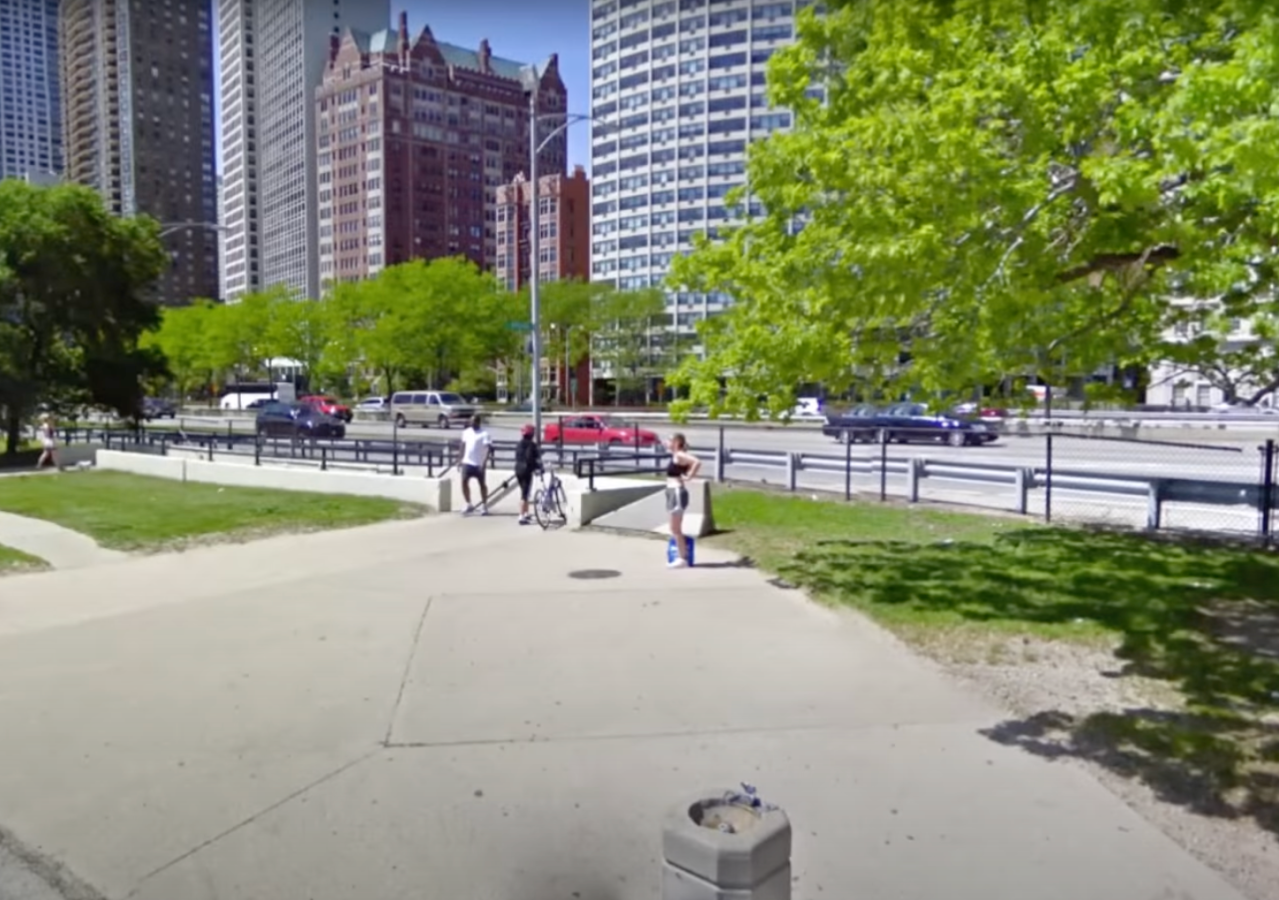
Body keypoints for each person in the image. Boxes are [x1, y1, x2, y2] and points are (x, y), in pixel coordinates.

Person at [665, 433, 701, 568]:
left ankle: (682, 558)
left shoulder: (680, 454)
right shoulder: (676, 455)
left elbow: (697, 462)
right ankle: (682, 556)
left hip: (676, 492)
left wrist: (689, 477)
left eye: (669, 440)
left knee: (675, 528)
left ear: (676, 442)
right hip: (672, 491)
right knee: (674, 528)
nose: (667, 442)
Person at [459, 414, 492, 515]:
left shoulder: (484, 434)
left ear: (478, 422)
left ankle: (484, 505)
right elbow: (463, 446)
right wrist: (459, 458)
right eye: (471, 421)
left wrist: (484, 462)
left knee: (482, 485)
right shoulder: (466, 432)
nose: (472, 423)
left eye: (474, 422)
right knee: (464, 482)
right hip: (467, 462)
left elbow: (488, 449)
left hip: (479, 464)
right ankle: (468, 503)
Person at [513, 424, 543, 525]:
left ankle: (526, 513)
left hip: (518, 469)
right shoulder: (532, 445)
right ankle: (521, 516)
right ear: (531, 434)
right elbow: (533, 459)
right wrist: (539, 468)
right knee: (524, 494)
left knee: (524, 491)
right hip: (526, 470)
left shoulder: (519, 444)